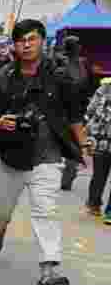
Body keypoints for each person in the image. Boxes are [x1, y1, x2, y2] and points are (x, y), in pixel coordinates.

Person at [0, 19, 87, 285]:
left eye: (31, 39)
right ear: (14, 46)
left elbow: (74, 115)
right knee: (2, 209)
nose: (26, 45)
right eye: (20, 41)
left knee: (46, 211)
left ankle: (49, 271)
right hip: (10, 156)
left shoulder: (60, 76)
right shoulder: (2, 77)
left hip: (47, 156)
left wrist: (83, 145)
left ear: (42, 41)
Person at [57, 35, 97, 192]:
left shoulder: (83, 63)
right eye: (77, 44)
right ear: (71, 47)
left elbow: (91, 84)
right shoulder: (59, 63)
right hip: (61, 111)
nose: (79, 47)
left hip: (77, 112)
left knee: (74, 146)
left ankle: (67, 177)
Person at [84, 77, 111, 223]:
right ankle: (104, 209)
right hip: (101, 139)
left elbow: (90, 110)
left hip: (100, 139)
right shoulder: (104, 87)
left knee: (99, 175)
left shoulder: (104, 87)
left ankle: (95, 205)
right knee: (99, 175)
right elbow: (91, 110)